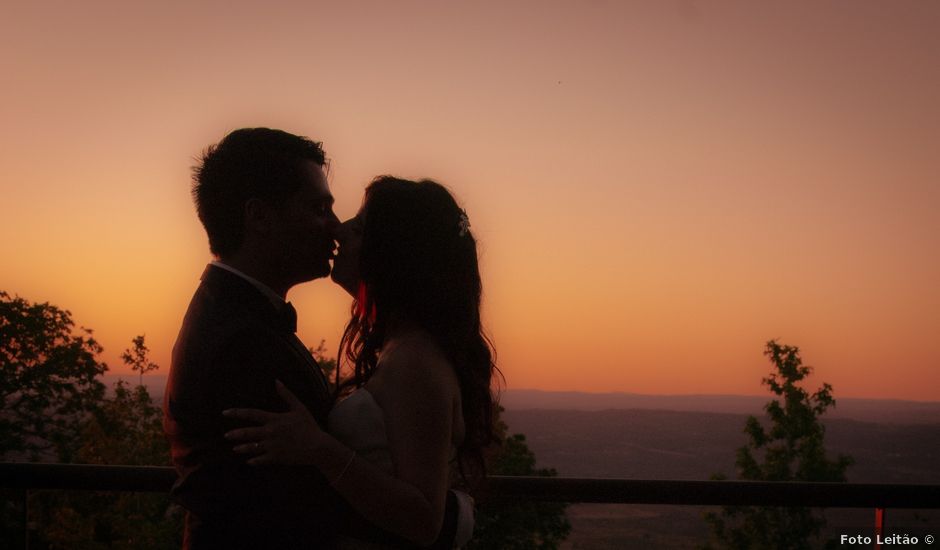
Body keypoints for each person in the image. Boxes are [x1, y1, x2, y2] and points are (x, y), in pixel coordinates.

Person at [164, 129, 460, 548]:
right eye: (319, 208)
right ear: (260, 217)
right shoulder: (241, 342)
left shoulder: (236, 316)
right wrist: (456, 520)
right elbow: (295, 503)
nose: (335, 228)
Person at [223, 176, 499, 548]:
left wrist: (318, 448)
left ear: (394, 253)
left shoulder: (414, 360)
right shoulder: (401, 348)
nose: (340, 228)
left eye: (362, 225)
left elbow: (423, 519)